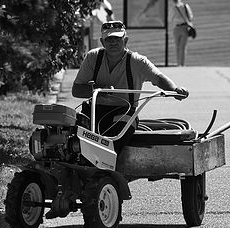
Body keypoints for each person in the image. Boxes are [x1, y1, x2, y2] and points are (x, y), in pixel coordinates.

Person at [72, 20, 189, 157]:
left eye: (117, 38)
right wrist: (98, 89)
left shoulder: (137, 61)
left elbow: (159, 78)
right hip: (94, 111)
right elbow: (76, 90)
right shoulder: (93, 57)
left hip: (124, 111)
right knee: (72, 134)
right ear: (102, 42)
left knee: (116, 135)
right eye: (109, 39)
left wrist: (175, 90)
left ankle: (105, 169)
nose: (113, 43)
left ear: (125, 40)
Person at [169, 0, 194, 66]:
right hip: (185, 27)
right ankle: (182, 64)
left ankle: (178, 64)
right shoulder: (186, 6)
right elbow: (191, 17)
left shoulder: (173, 8)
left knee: (177, 47)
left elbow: (169, 19)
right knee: (183, 47)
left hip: (177, 28)